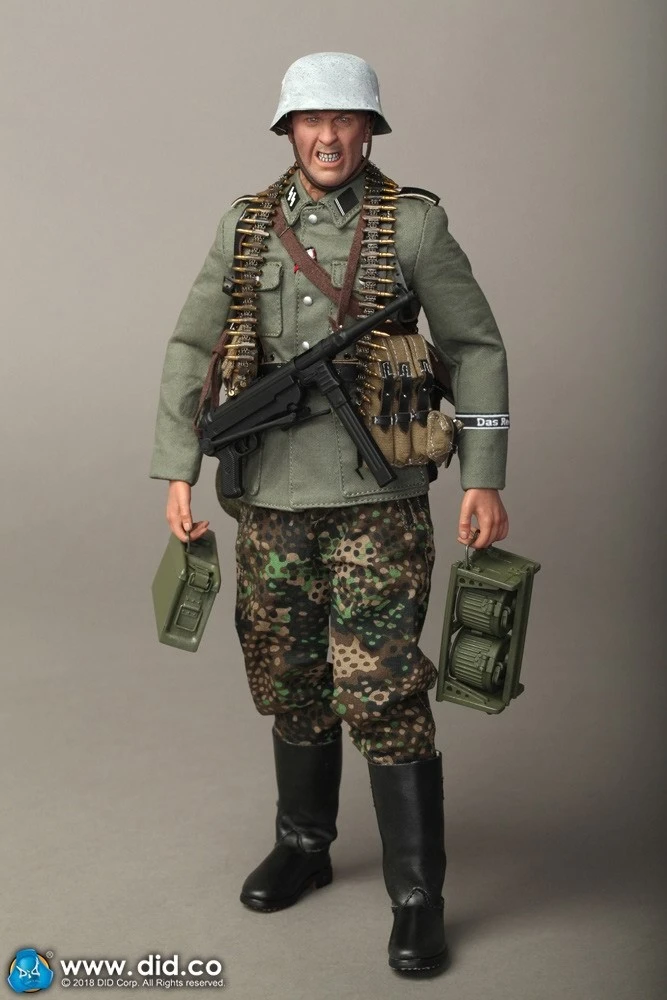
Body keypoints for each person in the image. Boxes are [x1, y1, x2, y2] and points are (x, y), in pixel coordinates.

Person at [150, 52, 509, 974]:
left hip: (376, 502)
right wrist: (176, 467)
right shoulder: (246, 226)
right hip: (269, 497)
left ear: (369, 130)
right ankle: (304, 843)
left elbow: (473, 346)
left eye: (345, 119)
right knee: (288, 675)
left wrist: (483, 474)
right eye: (310, 120)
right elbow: (192, 343)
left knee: (382, 686)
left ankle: (417, 894)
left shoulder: (412, 226)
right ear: (287, 130)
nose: (327, 136)